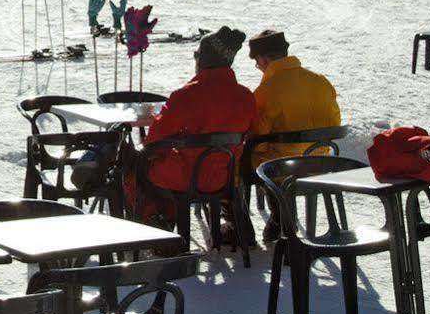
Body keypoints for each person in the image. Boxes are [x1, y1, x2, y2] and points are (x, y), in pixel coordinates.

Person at [122, 28, 257, 220]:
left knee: (136, 168)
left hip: (186, 177)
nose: (195, 58)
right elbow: (251, 132)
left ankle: (155, 222)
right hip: (223, 178)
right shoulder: (246, 97)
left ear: (205, 58)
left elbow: (154, 140)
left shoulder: (185, 96)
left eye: (197, 53)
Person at [244, 30, 341, 171]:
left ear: (263, 59)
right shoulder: (320, 81)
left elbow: (259, 144)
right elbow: (334, 123)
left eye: (257, 63)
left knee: (241, 159)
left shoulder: (266, 91)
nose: (259, 68)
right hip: (320, 164)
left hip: (281, 169)